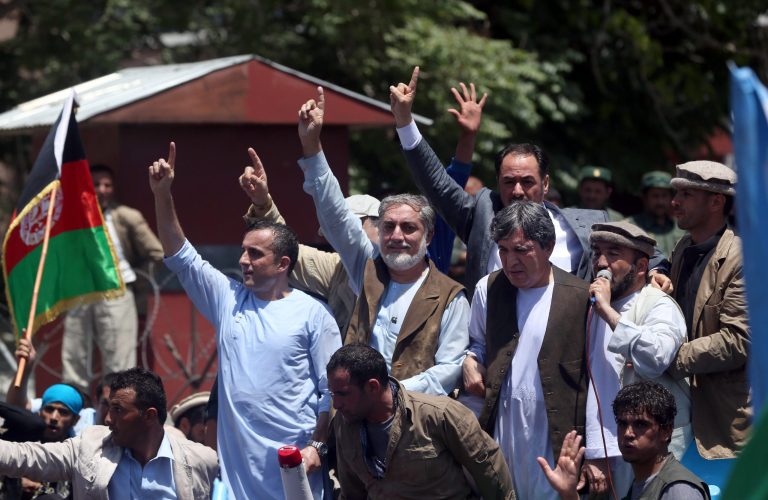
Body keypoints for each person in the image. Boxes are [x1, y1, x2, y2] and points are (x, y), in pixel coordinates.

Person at [150, 142, 341, 499]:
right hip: (237, 482)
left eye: (255, 254)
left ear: (283, 264)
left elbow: (331, 391)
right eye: (242, 251)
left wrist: (317, 446)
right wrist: (162, 194)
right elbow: (180, 256)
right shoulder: (228, 299)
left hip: (296, 473)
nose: (243, 261)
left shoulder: (314, 314)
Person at [388, 66, 671, 297]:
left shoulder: (586, 225)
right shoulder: (481, 217)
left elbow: (651, 253)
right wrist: (404, 121)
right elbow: (436, 183)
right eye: (508, 182)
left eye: (527, 181)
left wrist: (657, 273)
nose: (517, 191)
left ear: (545, 184)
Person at [295, 86, 469, 396]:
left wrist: (391, 393)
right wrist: (312, 145)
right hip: (353, 416)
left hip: (416, 419)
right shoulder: (367, 267)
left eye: (408, 228)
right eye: (389, 227)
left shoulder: (452, 297)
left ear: (429, 235)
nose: (397, 236)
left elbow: (451, 368)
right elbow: (335, 214)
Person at [462, 201, 591, 499]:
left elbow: (599, 380)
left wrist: (597, 454)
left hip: (555, 436)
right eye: (503, 250)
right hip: (504, 430)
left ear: (548, 247)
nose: (511, 261)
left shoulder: (581, 298)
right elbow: (478, 343)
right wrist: (470, 359)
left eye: (521, 250)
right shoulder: (488, 289)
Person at [327, 344, 514, 499]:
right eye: (332, 394)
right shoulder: (344, 425)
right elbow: (352, 492)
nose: (336, 404)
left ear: (372, 387)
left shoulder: (439, 415)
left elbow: (490, 471)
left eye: (343, 394)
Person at [584, 221, 690, 496]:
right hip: (606, 448)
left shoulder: (658, 305)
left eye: (613, 254)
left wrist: (608, 313)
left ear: (641, 266)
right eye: (597, 253)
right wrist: (595, 450)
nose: (601, 263)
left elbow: (656, 357)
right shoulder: (589, 306)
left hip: (652, 450)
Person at [0, 367, 218, 499]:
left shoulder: (200, 461)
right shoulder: (91, 446)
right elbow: (27, 456)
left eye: (118, 410)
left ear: (149, 416)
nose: (107, 419)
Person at [240, 147, 379, 334]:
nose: (345, 235)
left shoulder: (405, 269)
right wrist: (262, 203)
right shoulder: (337, 268)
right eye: (335, 232)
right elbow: (284, 249)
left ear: (381, 226)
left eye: (353, 226)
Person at [667, 160, 750, 458]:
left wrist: (669, 358)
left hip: (724, 422)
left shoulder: (742, 259)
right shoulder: (682, 248)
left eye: (686, 194)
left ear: (716, 202)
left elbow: (738, 341)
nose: (674, 201)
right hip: (681, 410)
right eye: (676, 193)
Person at [62, 164, 164, 392]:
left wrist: (135, 281)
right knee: (74, 355)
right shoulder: (72, 218)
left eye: (107, 185)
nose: (102, 189)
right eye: (96, 184)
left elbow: (157, 253)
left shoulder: (125, 216)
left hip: (116, 290)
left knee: (120, 360)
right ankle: (72, 405)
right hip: (80, 291)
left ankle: (117, 405)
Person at [539, 381, 709, 500]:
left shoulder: (678, 490)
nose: (628, 433)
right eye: (622, 424)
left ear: (666, 431)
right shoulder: (639, 486)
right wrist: (569, 494)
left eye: (640, 424)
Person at [626, 171, 686, 256]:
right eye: (655, 196)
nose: (660, 202)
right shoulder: (630, 227)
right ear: (645, 198)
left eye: (664, 196)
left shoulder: (681, 227)